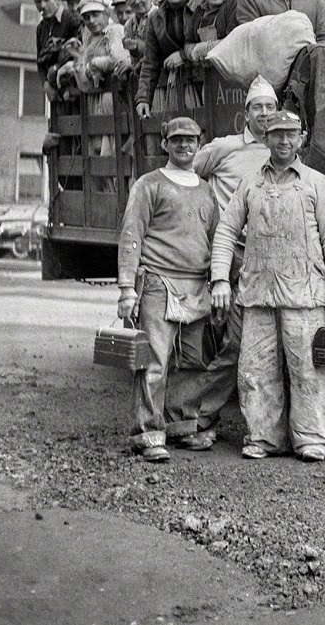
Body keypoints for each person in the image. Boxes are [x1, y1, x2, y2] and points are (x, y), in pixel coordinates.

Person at [210, 110, 325, 462]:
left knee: (308, 369)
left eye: (291, 134)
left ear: (302, 138)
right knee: (256, 369)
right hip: (258, 293)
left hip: (305, 293)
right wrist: (220, 279)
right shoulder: (249, 183)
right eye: (276, 134)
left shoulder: (316, 183)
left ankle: (312, 439)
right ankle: (264, 437)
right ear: (265, 138)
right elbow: (226, 231)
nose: (284, 141)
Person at [178, 75, 276, 447]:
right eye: (258, 108)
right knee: (233, 341)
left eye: (270, 107)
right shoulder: (225, 148)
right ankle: (196, 418)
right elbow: (185, 177)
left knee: (265, 345)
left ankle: (266, 428)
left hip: (268, 261)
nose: (265, 115)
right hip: (229, 256)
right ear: (246, 113)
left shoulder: (282, 150)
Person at [117, 116, 219, 462]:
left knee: (192, 361)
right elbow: (132, 235)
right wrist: (127, 290)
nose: (184, 146)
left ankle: (183, 427)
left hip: (196, 285)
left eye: (190, 140)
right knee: (155, 361)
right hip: (158, 282)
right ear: (165, 144)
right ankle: (147, 433)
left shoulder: (207, 190)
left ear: (199, 143)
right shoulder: (149, 185)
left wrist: (220, 281)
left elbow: (216, 239)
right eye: (177, 140)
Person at [64, 0, 129, 175]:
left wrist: (96, 64)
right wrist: (78, 60)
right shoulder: (88, 39)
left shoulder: (115, 31)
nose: (91, 20)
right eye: (86, 17)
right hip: (94, 99)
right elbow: (85, 79)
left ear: (106, 14)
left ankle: (118, 191)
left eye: (95, 15)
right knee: (96, 146)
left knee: (113, 146)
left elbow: (119, 59)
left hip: (113, 97)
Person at [135, 0, 201, 121]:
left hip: (202, 83)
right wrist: (143, 98)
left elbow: (210, 43)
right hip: (173, 87)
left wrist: (184, 55)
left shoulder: (201, 8)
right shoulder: (155, 18)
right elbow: (150, 61)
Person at [32, 0, 82, 97]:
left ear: (57, 0)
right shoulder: (41, 28)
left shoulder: (71, 19)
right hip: (54, 91)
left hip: (74, 88)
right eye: (38, 2)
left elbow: (78, 53)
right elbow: (40, 62)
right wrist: (46, 85)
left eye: (46, 0)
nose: (42, 5)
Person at [120, 0, 157, 78]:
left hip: (161, 79)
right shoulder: (129, 24)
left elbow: (162, 50)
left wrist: (138, 46)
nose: (137, 1)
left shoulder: (161, 17)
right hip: (140, 79)